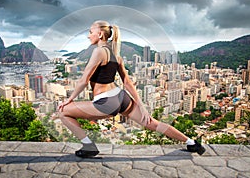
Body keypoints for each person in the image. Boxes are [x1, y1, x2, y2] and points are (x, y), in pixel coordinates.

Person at [57, 20, 205, 158]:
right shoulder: (116, 54)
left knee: (63, 112)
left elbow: (84, 80)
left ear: (100, 34)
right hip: (121, 97)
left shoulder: (99, 51)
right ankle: (191, 143)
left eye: (90, 32)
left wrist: (69, 100)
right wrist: (141, 105)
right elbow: (127, 82)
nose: (88, 35)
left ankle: (89, 146)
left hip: (106, 101)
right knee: (151, 123)